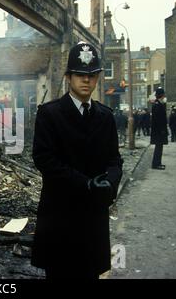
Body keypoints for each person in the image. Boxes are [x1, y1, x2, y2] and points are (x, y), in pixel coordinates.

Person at [31, 41, 123, 279]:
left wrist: (110, 185)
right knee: (60, 273)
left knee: (90, 273)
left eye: (92, 76)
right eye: (80, 75)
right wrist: (86, 184)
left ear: (98, 78)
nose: (86, 81)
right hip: (60, 216)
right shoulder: (49, 114)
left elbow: (115, 160)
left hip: (93, 218)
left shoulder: (105, 116)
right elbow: (44, 159)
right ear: (69, 77)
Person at [150, 87, 168, 169]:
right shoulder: (157, 105)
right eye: (163, 95)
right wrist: (162, 130)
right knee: (158, 148)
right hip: (159, 131)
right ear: (161, 95)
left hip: (159, 131)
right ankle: (156, 164)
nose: (164, 96)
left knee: (159, 148)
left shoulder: (159, 104)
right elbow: (159, 120)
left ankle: (158, 163)